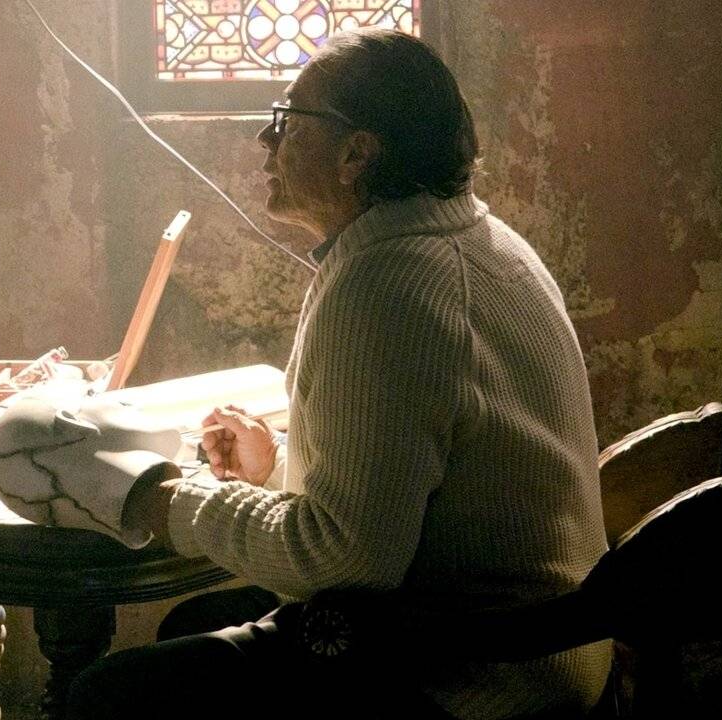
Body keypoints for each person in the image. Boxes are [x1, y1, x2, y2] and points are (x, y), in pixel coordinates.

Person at [71, 27, 611, 719]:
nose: (265, 140)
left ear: (357, 152)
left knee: (111, 695)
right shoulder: (484, 243)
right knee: (193, 628)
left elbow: (346, 560)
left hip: (473, 676)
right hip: (550, 649)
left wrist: (162, 501)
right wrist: (281, 466)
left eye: (287, 121)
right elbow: (420, 474)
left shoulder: (389, 284)